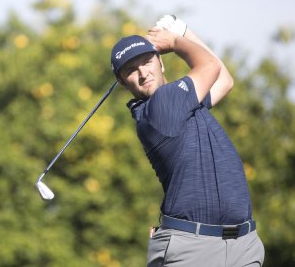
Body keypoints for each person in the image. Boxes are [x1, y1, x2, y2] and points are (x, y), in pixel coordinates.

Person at [110, 15, 265, 266]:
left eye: (147, 62)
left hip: (243, 245)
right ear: (122, 82)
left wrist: (182, 30)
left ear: (160, 63)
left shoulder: (184, 104)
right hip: (194, 249)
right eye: (130, 70)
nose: (142, 73)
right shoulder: (160, 107)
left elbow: (225, 81)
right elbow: (210, 66)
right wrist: (175, 40)